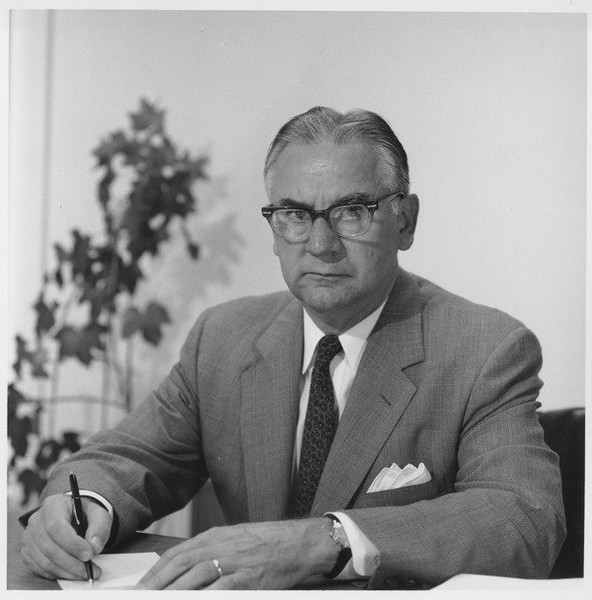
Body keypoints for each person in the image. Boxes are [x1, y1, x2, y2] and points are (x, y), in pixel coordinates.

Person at [20, 106, 566, 590]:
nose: (321, 245)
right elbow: (131, 457)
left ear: (405, 220)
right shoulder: (224, 337)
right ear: (275, 228)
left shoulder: (485, 349)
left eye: (353, 211)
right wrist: (79, 506)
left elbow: (524, 520)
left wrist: (324, 540)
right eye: (296, 215)